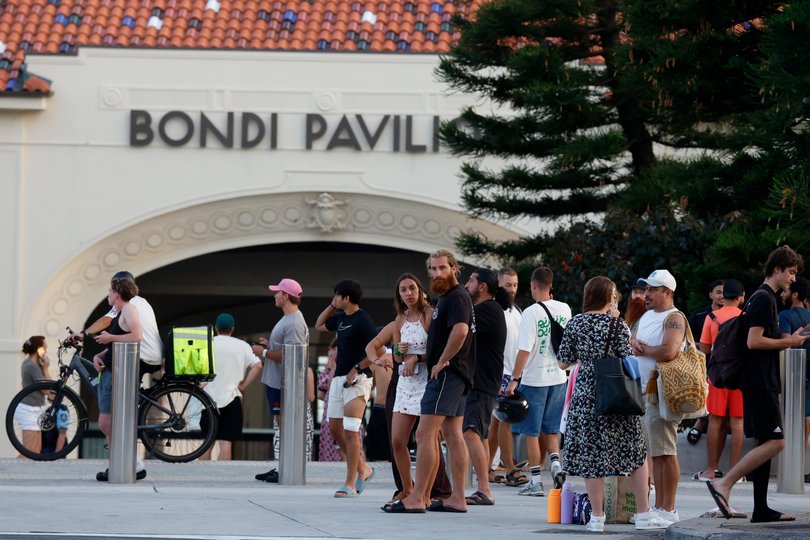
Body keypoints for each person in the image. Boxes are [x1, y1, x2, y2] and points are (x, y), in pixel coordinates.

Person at [559, 277, 671, 532]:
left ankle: (597, 518)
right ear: (609, 297)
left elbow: (563, 362)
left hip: (587, 395)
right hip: (617, 394)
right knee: (635, 453)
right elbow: (627, 356)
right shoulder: (617, 325)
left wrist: (586, 357)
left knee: (591, 455)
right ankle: (643, 515)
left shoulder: (575, 323)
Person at [706, 246, 808, 523]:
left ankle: (761, 509)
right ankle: (723, 483)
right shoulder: (764, 299)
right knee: (777, 442)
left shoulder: (760, 298)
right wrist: (789, 342)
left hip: (759, 381)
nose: (793, 278)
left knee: (764, 441)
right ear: (777, 269)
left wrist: (791, 336)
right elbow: (754, 341)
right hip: (760, 383)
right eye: (790, 272)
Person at [384, 249, 475, 513]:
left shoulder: (456, 297)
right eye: (433, 269)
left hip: (447, 374)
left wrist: (442, 360)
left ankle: (417, 497)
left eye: (442, 268)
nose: (437, 273)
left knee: (425, 434)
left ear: (454, 268)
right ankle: (457, 497)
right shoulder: (449, 298)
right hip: (456, 374)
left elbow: (460, 331)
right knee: (452, 434)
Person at [506, 267, 571, 496]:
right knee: (551, 429)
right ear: (550, 285)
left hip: (534, 379)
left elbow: (524, 350)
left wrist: (514, 379)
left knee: (531, 432)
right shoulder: (565, 309)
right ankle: (555, 464)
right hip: (559, 377)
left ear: (533, 285)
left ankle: (535, 480)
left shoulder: (531, 312)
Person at [630, 269, 687, 524]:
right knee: (656, 453)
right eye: (646, 289)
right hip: (643, 393)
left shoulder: (675, 318)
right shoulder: (645, 317)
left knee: (665, 452)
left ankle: (668, 508)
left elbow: (668, 351)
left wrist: (644, 349)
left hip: (661, 394)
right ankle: (661, 507)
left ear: (667, 292)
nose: (647, 294)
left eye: (653, 289)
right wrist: (634, 344)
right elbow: (632, 339)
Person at [316, 279, 378, 498]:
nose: (334, 300)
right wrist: (332, 306)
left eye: (337, 296)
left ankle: (350, 483)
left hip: (359, 380)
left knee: (351, 430)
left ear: (346, 297)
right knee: (335, 429)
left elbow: (376, 350)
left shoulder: (363, 319)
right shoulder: (341, 318)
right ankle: (363, 468)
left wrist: (356, 368)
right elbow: (319, 325)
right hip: (338, 379)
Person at [253, 278, 309, 483]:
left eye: (277, 292)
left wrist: (264, 351)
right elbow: (286, 348)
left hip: (280, 384)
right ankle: (282, 466)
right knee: (281, 425)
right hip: (276, 381)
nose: (275, 295)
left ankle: (285, 468)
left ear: (286, 296)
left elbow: (290, 356)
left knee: (284, 425)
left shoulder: (294, 321)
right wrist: (270, 345)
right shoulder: (289, 318)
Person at [92, 276, 145, 482]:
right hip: (110, 368)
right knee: (107, 422)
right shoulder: (119, 312)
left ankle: (130, 461)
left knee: (106, 421)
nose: (108, 295)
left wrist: (109, 337)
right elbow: (117, 341)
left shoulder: (129, 310)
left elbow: (137, 335)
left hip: (119, 372)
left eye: (109, 291)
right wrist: (101, 354)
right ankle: (118, 462)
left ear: (116, 293)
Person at [462, 268, 507, 506]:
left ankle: (484, 489)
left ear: (482, 287)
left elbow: (461, 332)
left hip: (481, 382)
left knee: (470, 431)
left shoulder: (485, 310)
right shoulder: (488, 310)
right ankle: (483, 485)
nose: (466, 284)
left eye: (470, 281)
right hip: (483, 381)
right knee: (479, 434)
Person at [693, 280, 746, 482]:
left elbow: (704, 349)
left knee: (715, 420)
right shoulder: (745, 317)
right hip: (740, 376)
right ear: (741, 297)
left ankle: (711, 469)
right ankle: (736, 471)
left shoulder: (711, 317)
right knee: (738, 421)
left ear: (725, 297)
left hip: (717, 374)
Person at [72, 270, 163, 382]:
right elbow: (121, 336)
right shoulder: (143, 302)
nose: (110, 292)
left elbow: (106, 320)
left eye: (112, 289)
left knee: (107, 375)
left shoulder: (128, 304)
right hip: (155, 355)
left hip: (141, 355)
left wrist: (83, 334)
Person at [200, 313, 262, 461]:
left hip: (208, 399)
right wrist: (243, 386)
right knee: (226, 443)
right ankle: (222, 478)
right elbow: (258, 365)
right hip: (232, 397)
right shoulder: (242, 346)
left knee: (207, 443)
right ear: (232, 329)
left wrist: (201, 385)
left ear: (216, 328)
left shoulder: (208, 344)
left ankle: (200, 476)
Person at [487, 267, 521, 485]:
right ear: (498, 285)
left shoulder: (516, 311)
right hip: (499, 374)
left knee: (497, 425)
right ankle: (510, 469)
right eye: (508, 285)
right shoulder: (494, 309)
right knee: (505, 423)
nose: (512, 289)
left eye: (515, 285)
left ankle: (488, 467)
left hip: (513, 373)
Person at [777, 275, 810, 477]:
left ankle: (790, 467)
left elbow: (785, 343)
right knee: (807, 416)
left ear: (795, 294)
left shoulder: (786, 316)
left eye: (786, 291)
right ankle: (802, 465)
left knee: (790, 416)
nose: (783, 294)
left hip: (793, 371)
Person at [686, 280, 725, 445]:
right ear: (710, 294)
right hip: (702, 363)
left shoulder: (734, 314)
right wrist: (702, 346)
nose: (722, 295)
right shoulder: (700, 316)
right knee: (705, 395)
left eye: (725, 292)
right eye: (718, 292)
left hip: (726, 365)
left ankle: (702, 424)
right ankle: (701, 422)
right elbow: (686, 339)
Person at [15, 337, 50, 456]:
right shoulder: (31, 365)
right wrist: (46, 368)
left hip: (35, 409)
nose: (46, 348)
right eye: (45, 346)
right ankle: (9, 471)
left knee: (35, 452)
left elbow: (48, 387)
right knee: (29, 452)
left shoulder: (34, 364)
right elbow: (46, 389)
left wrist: (44, 367)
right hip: (28, 409)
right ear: (39, 349)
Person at [318, 339, 344, 462]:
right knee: (331, 440)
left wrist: (334, 364)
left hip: (342, 408)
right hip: (330, 408)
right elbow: (321, 393)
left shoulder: (344, 365)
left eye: (334, 349)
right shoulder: (328, 369)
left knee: (343, 441)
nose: (331, 353)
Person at [366, 350, 393, 462]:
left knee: (378, 458)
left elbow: (369, 387)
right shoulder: (407, 358)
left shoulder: (377, 361)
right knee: (400, 454)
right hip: (400, 410)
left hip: (380, 408)